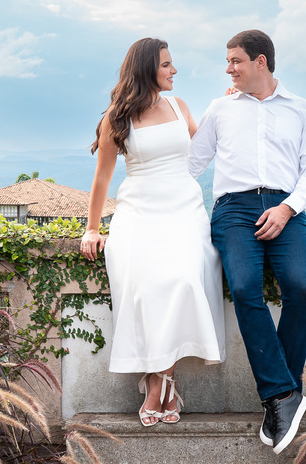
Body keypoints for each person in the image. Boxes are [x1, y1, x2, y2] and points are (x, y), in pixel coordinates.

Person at [188, 30, 306, 455]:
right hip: (233, 210)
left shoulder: (302, 110)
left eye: (235, 61)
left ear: (260, 61)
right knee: (246, 289)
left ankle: (280, 398)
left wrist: (287, 209)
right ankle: (283, 394)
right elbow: (191, 163)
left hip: (288, 207)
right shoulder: (220, 109)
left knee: (300, 288)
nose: (228, 69)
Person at [81, 37, 225, 427]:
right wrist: (92, 229)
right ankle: (163, 385)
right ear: (147, 68)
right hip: (139, 212)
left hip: (184, 209)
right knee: (145, 286)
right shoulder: (116, 118)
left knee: (183, 279)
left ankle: (158, 380)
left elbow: (205, 147)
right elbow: (102, 178)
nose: (173, 70)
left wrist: (228, 106)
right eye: (166, 64)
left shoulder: (179, 107)